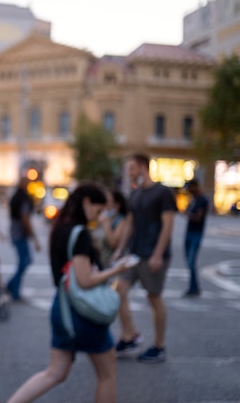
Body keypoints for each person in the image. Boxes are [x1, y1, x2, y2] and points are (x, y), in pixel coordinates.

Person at [6, 183, 132, 403]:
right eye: (98, 209)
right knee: (107, 374)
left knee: (54, 373)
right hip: (82, 312)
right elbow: (84, 281)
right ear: (86, 203)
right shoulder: (80, 233)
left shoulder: (60, 227)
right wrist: (116, 270)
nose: (99, 215)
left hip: (61, 307)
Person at [112, 153, 177, 363]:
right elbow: (130, 223)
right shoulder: (136, 194)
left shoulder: (163, 192)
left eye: (131, 168)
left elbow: (168, 224)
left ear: (142, 167)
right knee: (118, 291)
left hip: (153, 255)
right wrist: (120, 249)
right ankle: (130, 336)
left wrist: (158, 254)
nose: (129, 172)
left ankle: (159, 345)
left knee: (153, 297)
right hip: (134, 254)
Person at [7, 177, 41, 302]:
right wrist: (34, 237)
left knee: (24, 261)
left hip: (16, 232)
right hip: (20, 234)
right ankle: (13, 288)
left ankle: (12, 286)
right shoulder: (23, 198)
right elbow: (25, 218)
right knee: (25, 261)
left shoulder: (16, 196)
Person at [91, 189, 129, 269]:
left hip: (109, 264)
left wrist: (105, 223)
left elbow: (113, 244)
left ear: (117, 205)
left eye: (108, 201)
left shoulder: (121, 221)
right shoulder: (99, 218)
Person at [183, 179, 208, 297]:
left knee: (191, 261)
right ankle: (194, 286)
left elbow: (198, 216)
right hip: (189, 231)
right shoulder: (193, 199)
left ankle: (194, 287)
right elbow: (188, 211)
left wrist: (189, 215)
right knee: (189, 260)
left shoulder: (203, 200)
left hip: (196, 232)